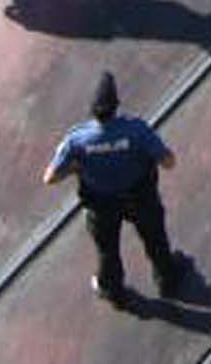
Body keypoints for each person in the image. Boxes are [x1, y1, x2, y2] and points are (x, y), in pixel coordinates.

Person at [45, 70, 194, 309]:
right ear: (116, 105)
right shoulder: (136, 130)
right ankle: (167, 280)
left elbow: (50, 177)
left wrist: (76, 168)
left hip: (101, 203)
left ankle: (112, 289)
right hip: (139, 196)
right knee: (155, 239)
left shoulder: (77, 139)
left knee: (107, 249)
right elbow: (169, 162)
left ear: (92, 109)